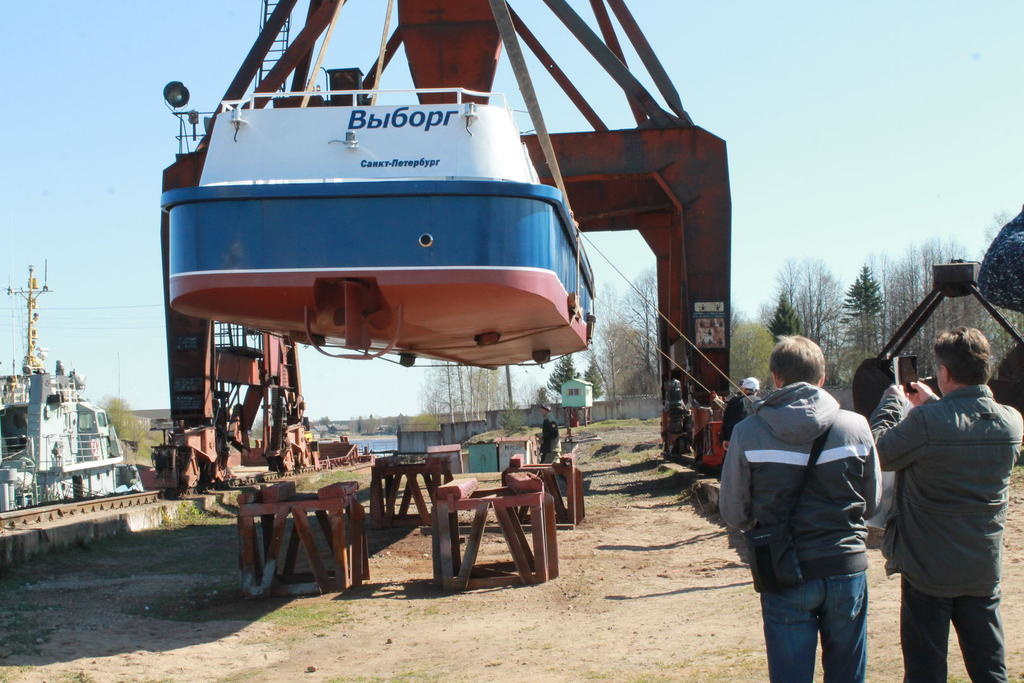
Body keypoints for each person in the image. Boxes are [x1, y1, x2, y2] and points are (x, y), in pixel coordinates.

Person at [720, 335, 881, 683]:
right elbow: (872, 501)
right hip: (845, 565)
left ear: (776, 378)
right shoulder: (857, 428)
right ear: (822, 378)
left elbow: (733, 511)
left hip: (783, 570)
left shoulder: (748, 432)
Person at [870, 327, 1023, 682]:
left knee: (926, 670)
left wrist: (892, 402)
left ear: (944, 373)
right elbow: (966, 429)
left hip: (928, 570)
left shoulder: (925, 423)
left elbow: (877, 452)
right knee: (989, 668)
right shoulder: (1011, 422)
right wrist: (938, 404)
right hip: (982, 567)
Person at [721, 376, 761, 452]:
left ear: (743, 389)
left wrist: (725, 438)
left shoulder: (734, 402)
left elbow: (726, 421)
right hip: (756, 443)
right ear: (756, 390)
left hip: (736, 442)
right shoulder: (761, 402)